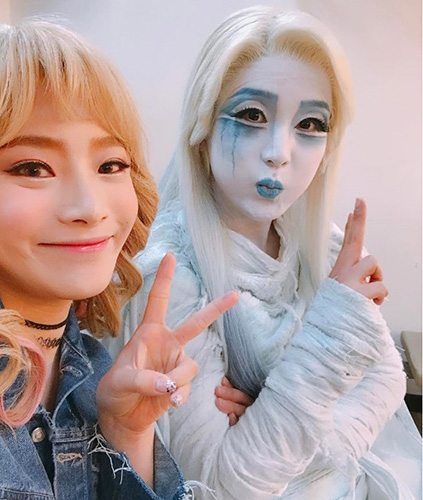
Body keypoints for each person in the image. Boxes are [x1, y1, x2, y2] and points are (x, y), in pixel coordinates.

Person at [112, 6, 422, 500]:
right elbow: (221, 485)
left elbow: (387, 377)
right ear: (202, 126)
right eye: (252, 115)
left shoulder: (324, 243)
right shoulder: (172, 279)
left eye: (310, 124)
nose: (280, 152)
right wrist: (332, 344)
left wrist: (275, 414)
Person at [0, 19, 238, 500]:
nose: (90, 208)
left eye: (110, 164)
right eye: (32, 168)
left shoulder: (94, 369)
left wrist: (128, 435)